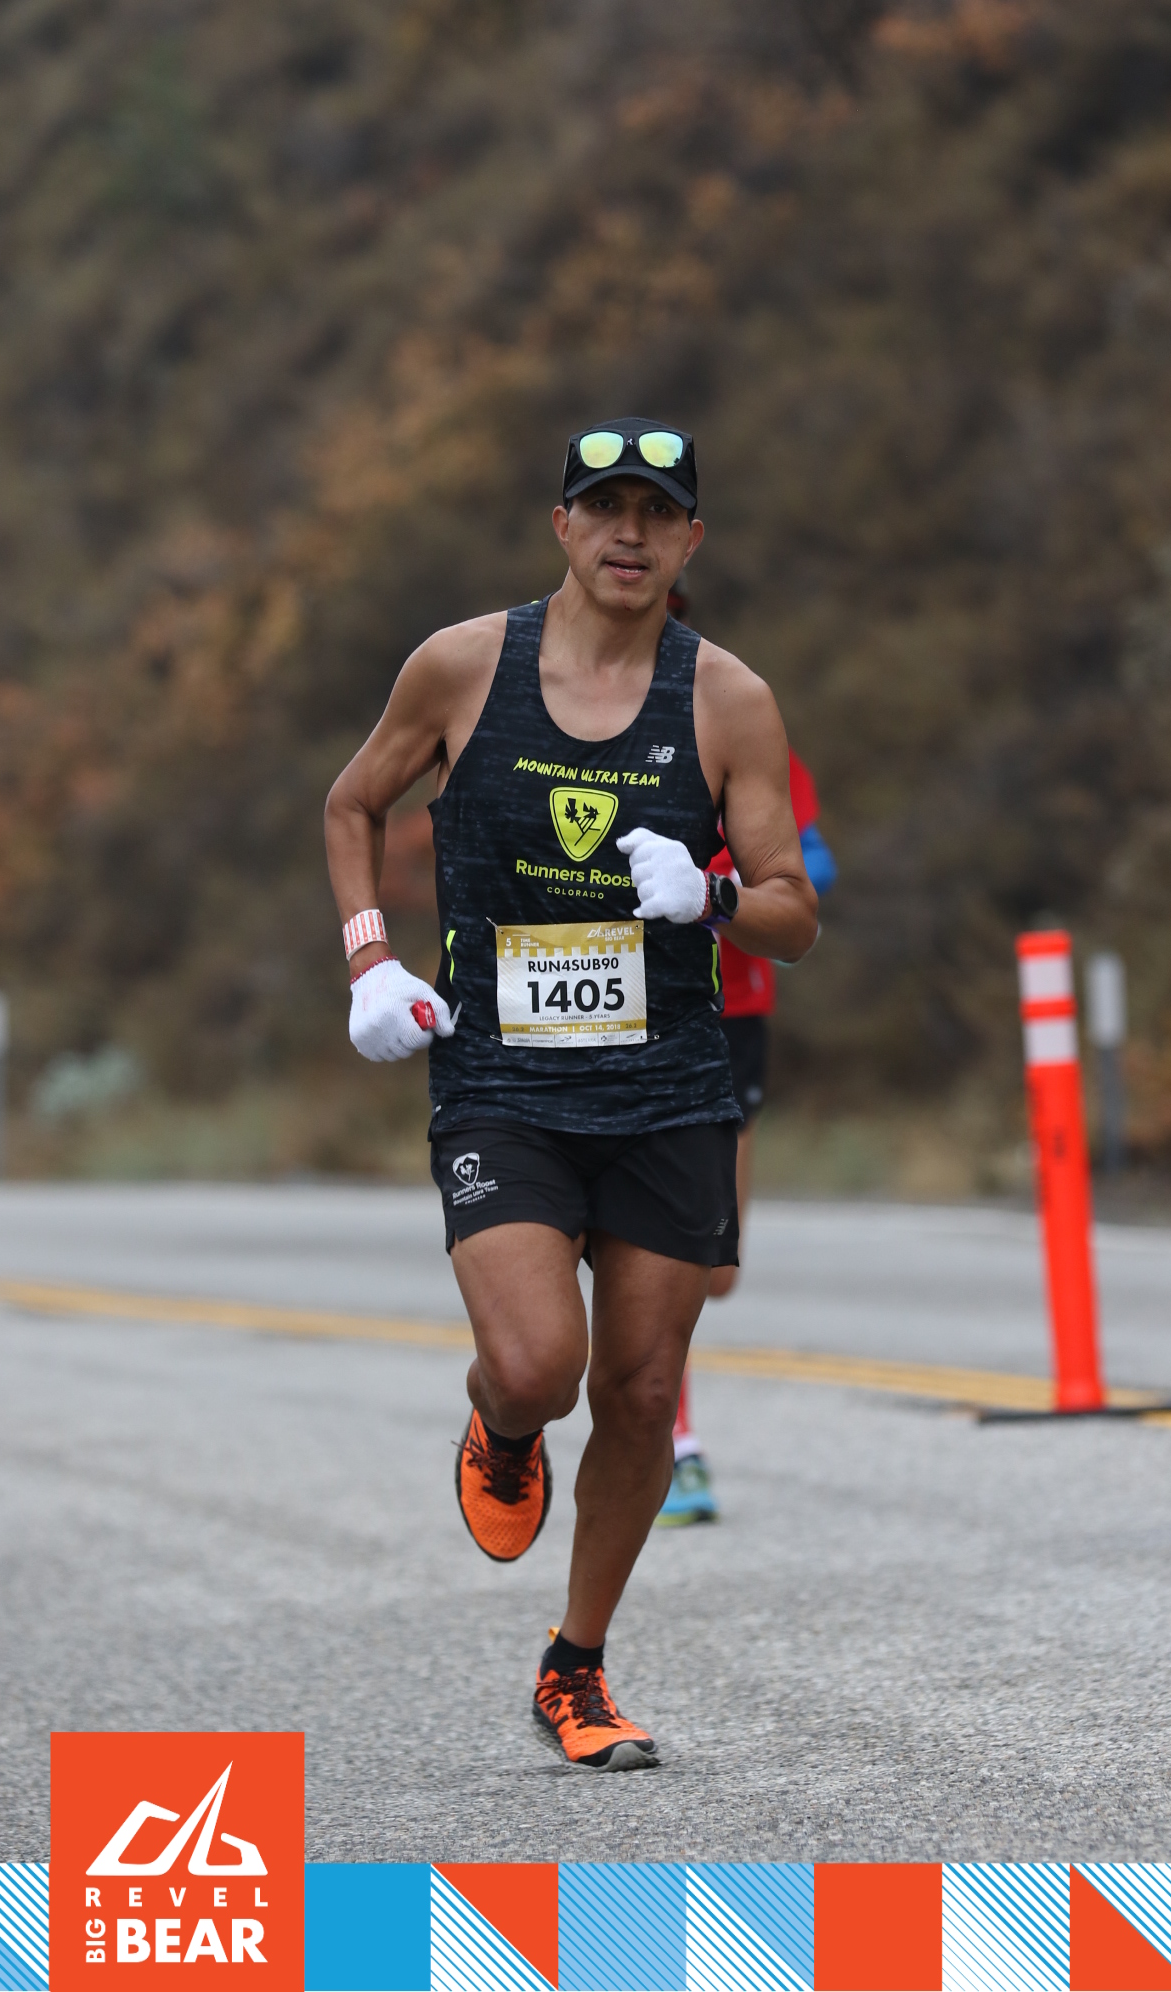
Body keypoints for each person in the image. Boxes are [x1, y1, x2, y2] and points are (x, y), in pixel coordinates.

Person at [324, 419, 818, 1769]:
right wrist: (370, 959)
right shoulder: (462, 666)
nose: (628, 535)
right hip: (502, 1081)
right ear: (561, 525)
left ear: (690, 540)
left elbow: (793, 911)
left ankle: (575, 1667)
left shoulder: (728, 700)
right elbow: (352, 803)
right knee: (540, 1364)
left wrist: (711, 896)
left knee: (644, 1393)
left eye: (656, 514)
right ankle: (502, 1424)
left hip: (668, 1089)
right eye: (604, 508)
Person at [658, 579, 838, 1525]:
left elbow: (810, 864)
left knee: (716, 1269)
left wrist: (718, 884)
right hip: (633, 1014)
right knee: (658, 1245)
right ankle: (673, 1444)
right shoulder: (568, 732)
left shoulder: (743, 722)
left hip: (735, 1008)